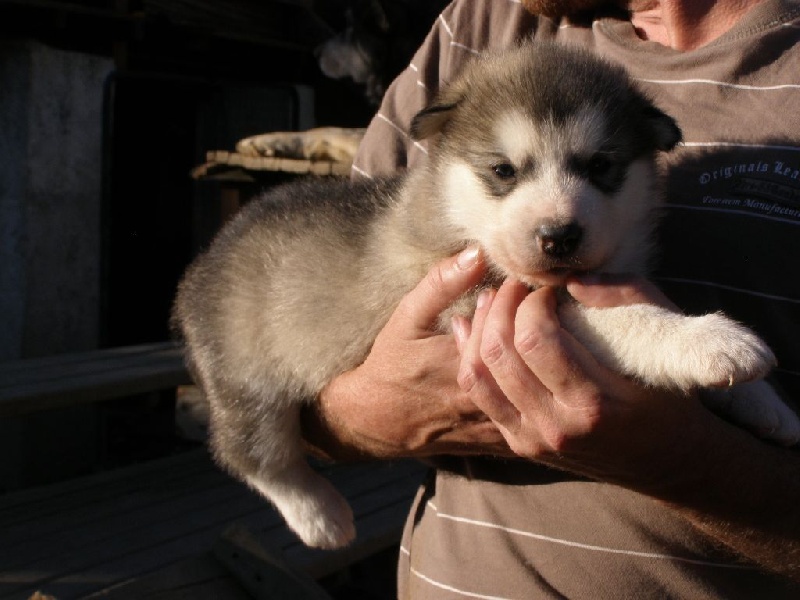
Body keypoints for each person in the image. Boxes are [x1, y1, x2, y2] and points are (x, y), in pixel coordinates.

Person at [302, 0, 800, 597]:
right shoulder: (479, 22)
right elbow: (317, 366)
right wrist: (370, 412)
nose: (558, 219)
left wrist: (685, 460)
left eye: (597, 167)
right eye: (506, 173)